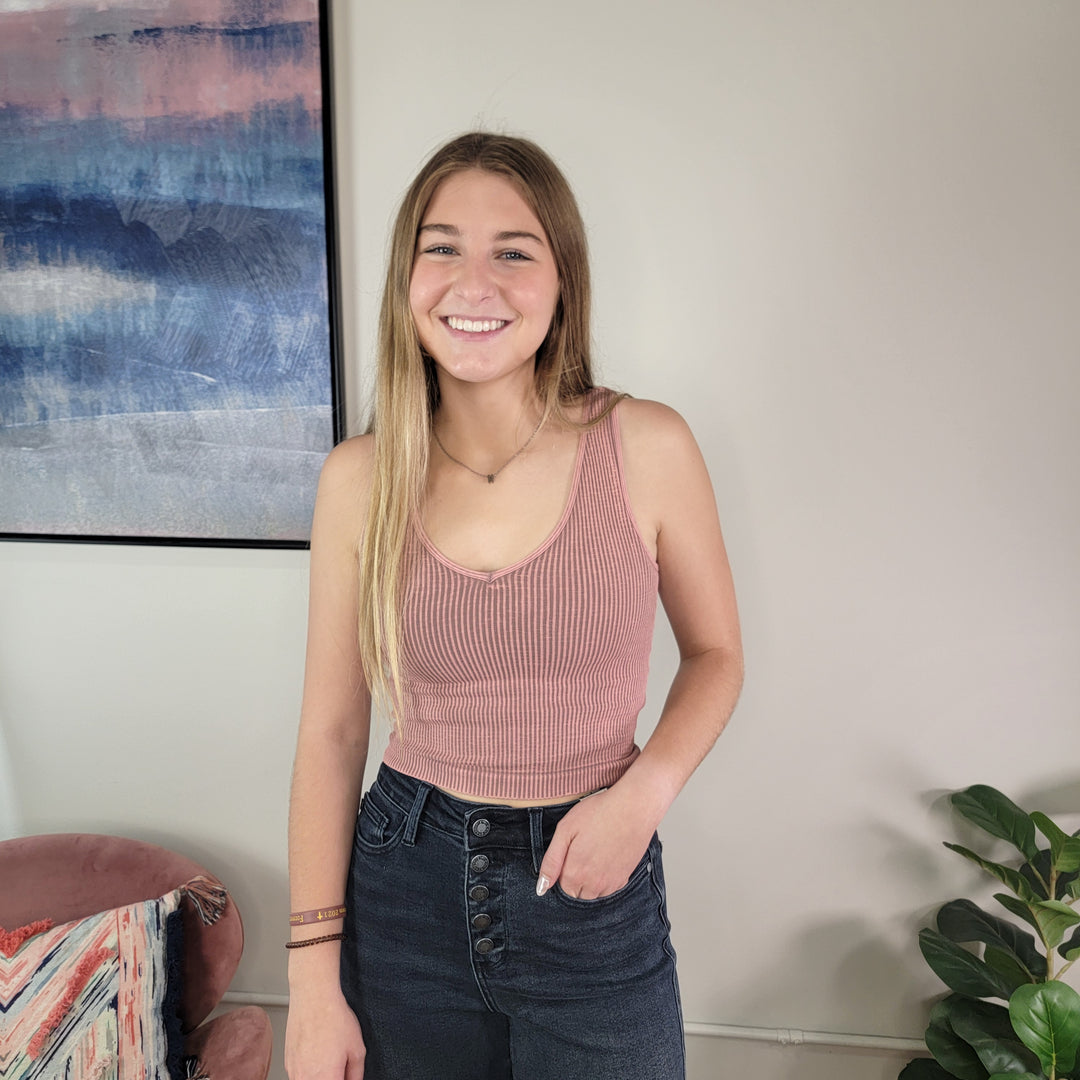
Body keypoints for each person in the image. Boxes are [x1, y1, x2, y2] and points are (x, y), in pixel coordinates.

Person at [284, 131, 742, 1080]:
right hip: (404, 884)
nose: (472, 282)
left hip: (588, 883)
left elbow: (717, 657)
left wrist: (639, 800)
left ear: (562, 278)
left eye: (513, 251)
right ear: (407, 277)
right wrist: (312, 986)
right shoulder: (359, 479)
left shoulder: (648, 446)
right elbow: (332, 734)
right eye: (442, 247)